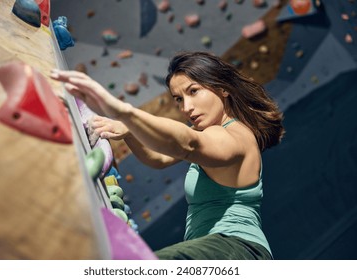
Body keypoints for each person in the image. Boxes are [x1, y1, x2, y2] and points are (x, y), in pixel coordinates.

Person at [50, 51, 285, 260]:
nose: (187, 108)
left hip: (238, 250)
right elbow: (159, 159)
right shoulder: (209, 133)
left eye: (194, 91)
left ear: (223, 88)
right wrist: (130, 131)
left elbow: (187, 144)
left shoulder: (233, 136)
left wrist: (123, 111)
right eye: (179, 99)